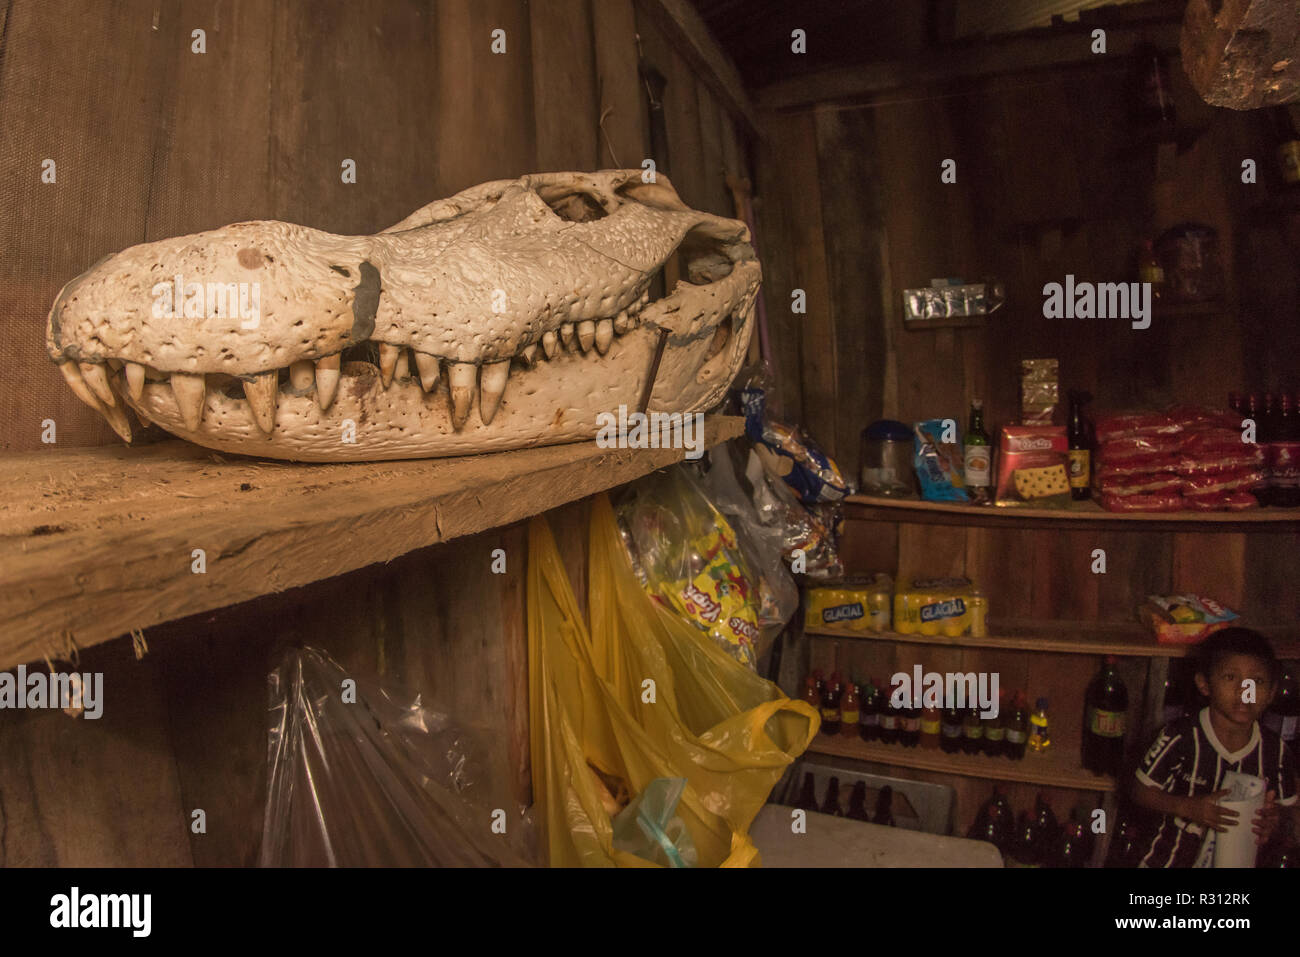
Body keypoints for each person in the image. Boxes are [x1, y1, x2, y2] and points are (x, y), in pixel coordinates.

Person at [1131, 627, 1297, 867]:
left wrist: (1275, 820)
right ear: (1204, 684)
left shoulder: (1276, 751)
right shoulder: (1180, 736)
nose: (1245, 692)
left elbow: (1288, 813)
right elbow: (1139, 791)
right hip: (1168, 861)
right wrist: (1188, 807)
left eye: (1257, 681)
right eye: (1231, 678)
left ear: (1272, 692)